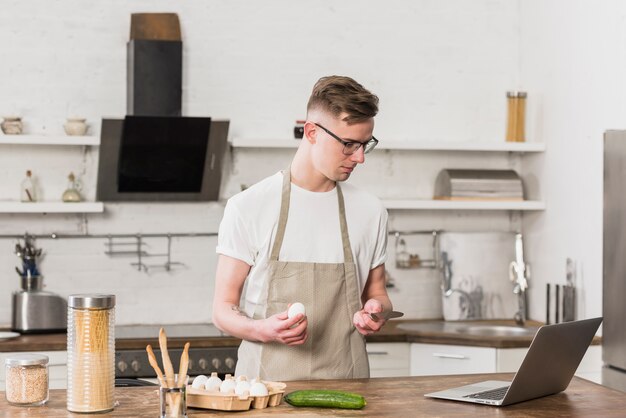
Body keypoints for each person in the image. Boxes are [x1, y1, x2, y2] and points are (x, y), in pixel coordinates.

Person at [212, 75, 392, 381]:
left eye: (365, 145)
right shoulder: (249, 206)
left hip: (351, 390)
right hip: (264, 394)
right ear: (311, 132)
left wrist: (377, 311)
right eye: (349, 144)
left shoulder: (370, 211)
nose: (359, 158)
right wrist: (261, 329)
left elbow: (377, 293)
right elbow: (222, 309)